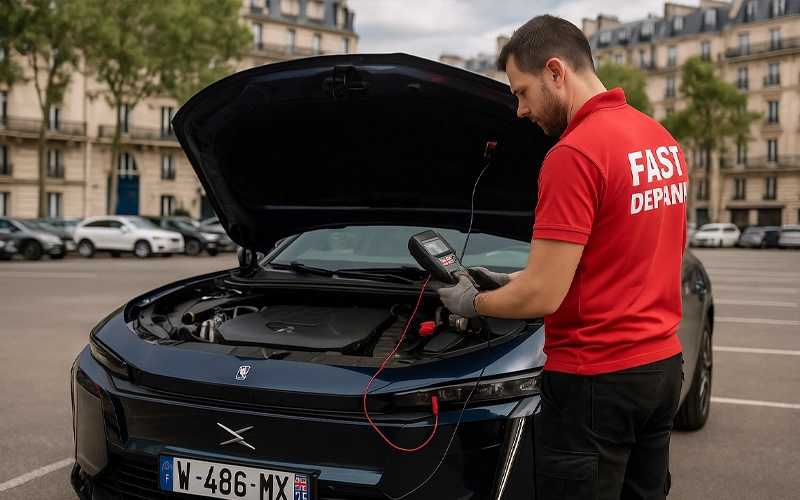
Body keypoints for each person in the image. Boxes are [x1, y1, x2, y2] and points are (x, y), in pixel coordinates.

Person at [438, 14, 687, 500]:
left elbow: (545, 295)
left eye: (522, 92)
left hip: (596, 380)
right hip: (660, 368)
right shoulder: (659, 139)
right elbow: (622, 253)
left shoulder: (575, 153)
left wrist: (473, 302)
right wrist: (514, 278)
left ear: (557, 71)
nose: (519, 111)